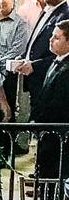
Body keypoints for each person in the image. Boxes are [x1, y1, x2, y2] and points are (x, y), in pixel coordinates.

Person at [15, 0, 69, 108]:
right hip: (33, 80)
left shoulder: (65, 15)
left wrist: (34, 65)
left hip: (49, 78)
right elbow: (36, 41)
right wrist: (24, 57)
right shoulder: (47, 11)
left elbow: (62, 53)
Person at [29, 19, 69, 181]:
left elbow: (59, 102)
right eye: (52, 36)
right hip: (47, 130)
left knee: (54, 172)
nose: (51, 40)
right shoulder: (56, 62)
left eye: (57, 38)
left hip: (57, 130)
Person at [0, 0, 29, 116]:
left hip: (7, 78)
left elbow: (17, 51)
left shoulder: (20, 24)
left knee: (6, 116)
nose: (2, 1)